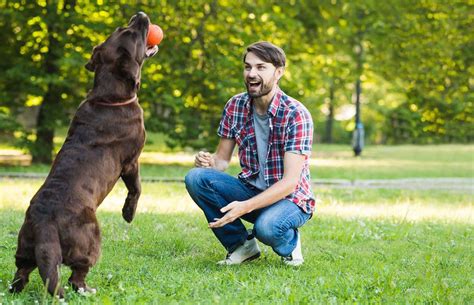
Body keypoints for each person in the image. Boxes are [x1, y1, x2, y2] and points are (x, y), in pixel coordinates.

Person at [184, 41, 315, 266]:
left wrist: (244, 207)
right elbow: (222, 160)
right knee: (196, 178)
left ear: (279, 72)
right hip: (251, 190)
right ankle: (241, 246)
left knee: (267, 228)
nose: (251, 74)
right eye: (247, 67)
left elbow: (290, 182)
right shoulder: (235, 106)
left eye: (261, 67)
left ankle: (290, 243)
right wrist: (208, 162)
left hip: (290, 200)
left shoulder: (296, 114)